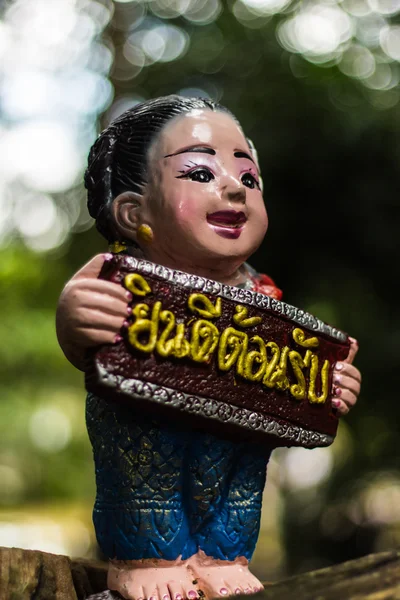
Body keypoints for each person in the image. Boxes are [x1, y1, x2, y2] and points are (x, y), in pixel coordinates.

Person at [56, 96, 361, 600]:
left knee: (241, 480)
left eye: (249, 179)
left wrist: (331, 385)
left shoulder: (261, 295)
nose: (233, 188)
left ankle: (224, 557)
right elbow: (82, 328)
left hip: (243, 420)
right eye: (198, 173)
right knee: (145, 466)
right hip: (146, 412)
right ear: (134, 211)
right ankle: (148, 556)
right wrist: (77, 313)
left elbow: (304, 367)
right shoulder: (125, 279)